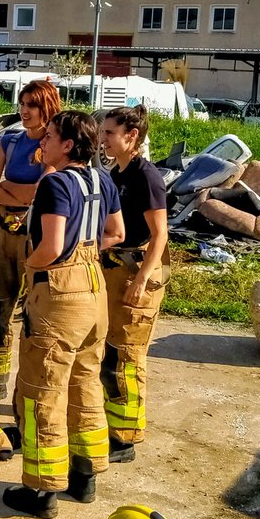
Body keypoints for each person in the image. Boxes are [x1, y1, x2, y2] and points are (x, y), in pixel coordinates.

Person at [2, 110, 125, 519]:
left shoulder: (56, 183)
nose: (43, 143)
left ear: (68, 144)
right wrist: (85, 251)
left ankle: (41, 490)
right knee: (86, 381)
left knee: (43, 390)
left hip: (60, 291)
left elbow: (51, 246)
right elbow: (117, 233)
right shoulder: (101, 179)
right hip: (94, 288)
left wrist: (30, 269)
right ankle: (85, 475)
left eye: (50, 136)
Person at [0, 80, 62, 400]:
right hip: (3, 233)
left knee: (35, 317)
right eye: (23, 104)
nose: (24, 111)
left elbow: (45, 191)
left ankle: (33, 389)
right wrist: (21, 194)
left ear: (48, 107)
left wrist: (8, 189)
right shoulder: (9, 141)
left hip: (36, 236)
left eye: (33, 105)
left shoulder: (55, 145)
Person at [98, 106, 169, 464]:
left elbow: (160, 235)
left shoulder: (146, 177)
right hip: (116, 270)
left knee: (127, 356)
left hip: (137, 272)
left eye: (110, 133)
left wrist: (141, 280)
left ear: (132, 136)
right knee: (111, 352)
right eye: (103, 132)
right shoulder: (116, 172)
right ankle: (112, 426)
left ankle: (125, 439)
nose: (103, 139)